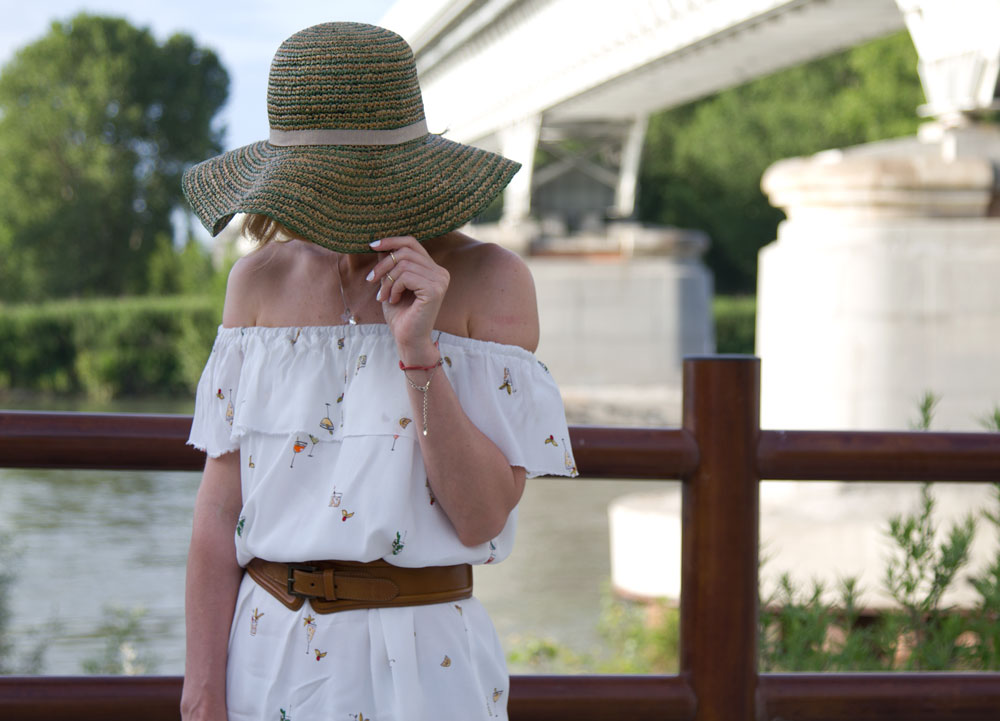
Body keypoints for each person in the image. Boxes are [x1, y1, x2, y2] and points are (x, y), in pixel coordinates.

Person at [180, 22, 577, 721]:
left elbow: (482, 513)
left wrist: (420, 353)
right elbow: (219, 510)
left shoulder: (490, 281)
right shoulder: (256, 284)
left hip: (427, 666)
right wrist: (203, 686)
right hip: (265, 656)